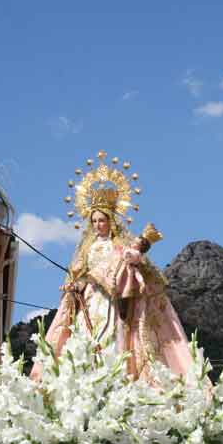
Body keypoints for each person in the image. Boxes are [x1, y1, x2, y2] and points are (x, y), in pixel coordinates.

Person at [30, 154, 193, 383]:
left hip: (113, 301)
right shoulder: (87, 248)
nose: (98, 225)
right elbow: (78, 273)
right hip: (90, 300)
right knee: (87, 337)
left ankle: (116, 374)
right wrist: (73, 285)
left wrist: (132, 260)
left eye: (102, 220)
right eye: (94, 221)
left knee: (113, 337)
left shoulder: (120, 245)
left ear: (110, 221)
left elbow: (137, 269)